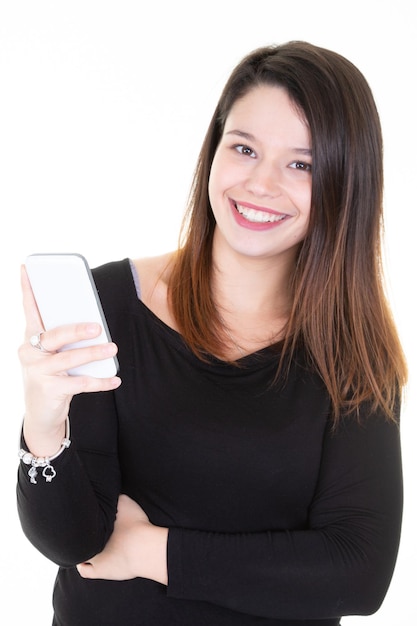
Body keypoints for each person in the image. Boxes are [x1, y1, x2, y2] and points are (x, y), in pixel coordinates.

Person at [17, 40, 407, 626]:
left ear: (345, 184)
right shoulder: (112, 305)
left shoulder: (351, 350)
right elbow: (75, 543)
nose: (261, 184)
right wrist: (44, 426)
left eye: (302, 164)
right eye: (244, 148)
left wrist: (153, 551)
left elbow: (358, 573)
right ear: (214, 151)